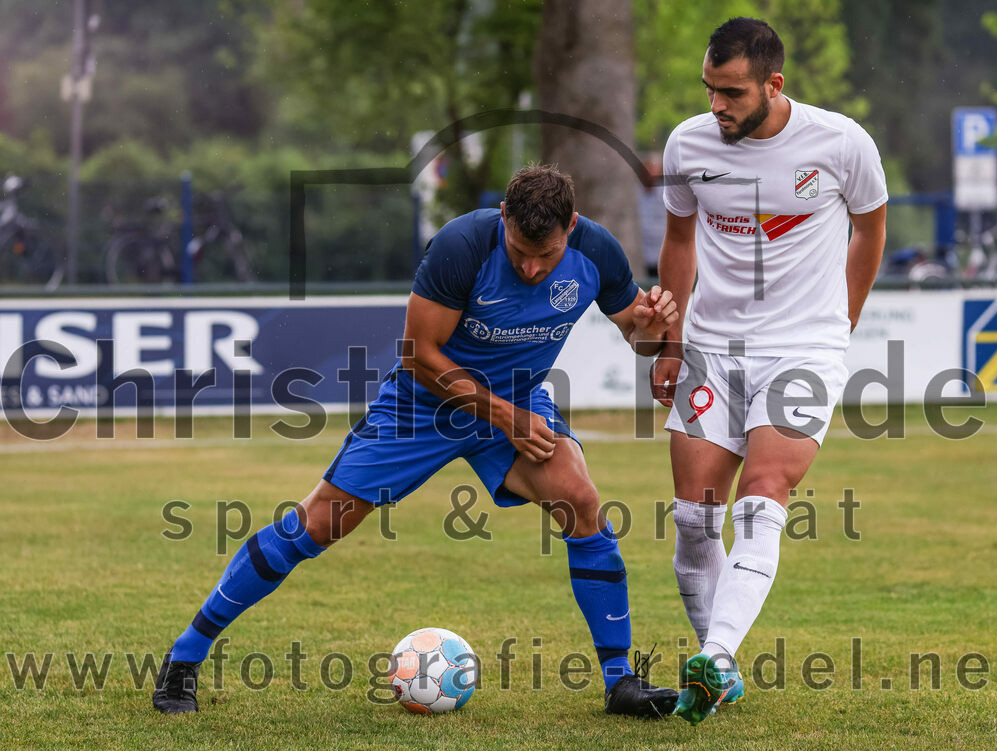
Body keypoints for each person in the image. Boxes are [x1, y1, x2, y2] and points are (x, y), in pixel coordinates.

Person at [154, 164, 682, 719]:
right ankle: (185, 657)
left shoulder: (597, 253)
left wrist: (649, 329)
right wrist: (504, 416)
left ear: (571, 227)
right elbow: (419, 355)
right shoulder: (461, 246)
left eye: (545, 256)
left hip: (516, 403)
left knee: (580, 500)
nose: (531, 267)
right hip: (425, 403)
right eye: (521, 251)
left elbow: (638, 338)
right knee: (316, 525)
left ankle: (621, 682)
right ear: (502, 217)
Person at [651, 18, 887, 724]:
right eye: (709, 90)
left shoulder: (842, 144)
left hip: (803, 350)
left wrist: (840, 323)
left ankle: (718, 654)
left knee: (765, 489)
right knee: (694, 522)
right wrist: (670, 342)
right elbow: (678, 239)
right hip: (711, 350)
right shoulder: (688, 146)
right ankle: (717, 668)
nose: (716, 106)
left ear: (773, 86)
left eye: (731, 93)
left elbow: (872, 229)